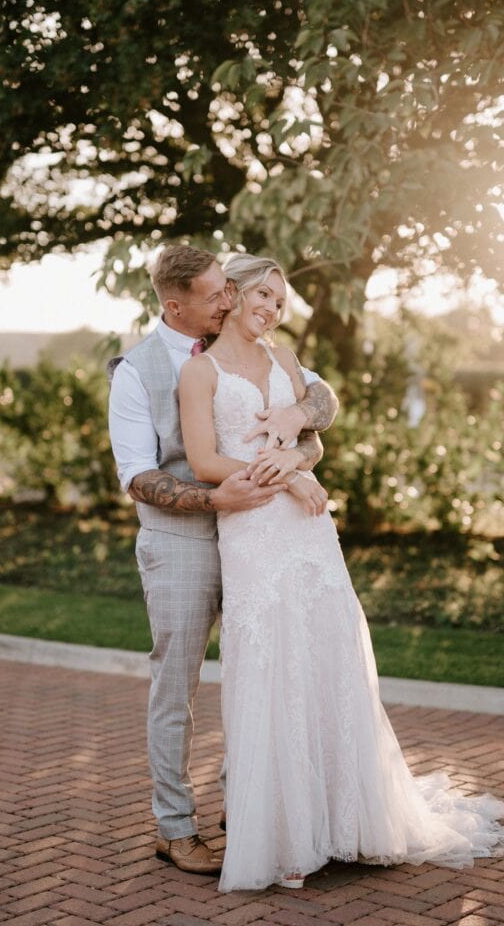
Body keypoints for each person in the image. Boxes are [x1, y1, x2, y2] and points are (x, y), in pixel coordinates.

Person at [179, 253, 504, 893]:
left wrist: (304, 451)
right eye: (264, 295)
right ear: (235, 293)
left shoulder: (284, 362)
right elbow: (203, 460)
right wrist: (290, 480)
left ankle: (346, 823)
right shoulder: (200, 372)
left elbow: (318, 433)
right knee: (271, 668)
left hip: (309, 536)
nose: (272, 309)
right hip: (254, 531)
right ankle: (287, 834)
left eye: (280, 301)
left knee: (327, 661)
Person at [107, 244, 338, 876]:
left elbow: (320, 410)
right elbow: (137, 475)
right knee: (175, 687)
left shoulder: (255, 350)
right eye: (216, 296)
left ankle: (248, 810)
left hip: (258, 538)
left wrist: (297, 421)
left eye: (227, 290)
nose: (230, 301)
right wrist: (217, 495)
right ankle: (175, 828)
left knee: (260, 673)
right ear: (175, 306)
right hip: (180, 543)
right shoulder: (138, 370)